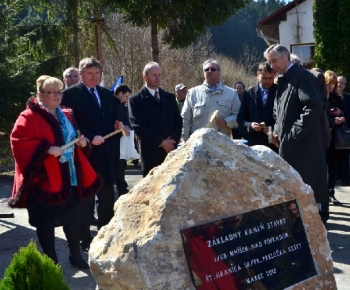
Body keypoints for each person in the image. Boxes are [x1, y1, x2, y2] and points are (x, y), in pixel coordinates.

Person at [9, 76, 102, 269]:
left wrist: (81, 143)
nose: (56, 96)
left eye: (59, 91)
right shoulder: (28, 117)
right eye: (51, 92)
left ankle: (75, 256)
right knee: (46, 223)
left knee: (72, 220)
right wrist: (45, 149)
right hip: (44, 180)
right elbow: (18, 142)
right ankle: (52, 263)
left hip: (69, 177)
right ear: (40, 94)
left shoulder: (66, 114)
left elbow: (73, 137)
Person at [61, 57, 124, 252]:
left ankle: (105, 234)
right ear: (80, 74)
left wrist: (117, 124)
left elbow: (114, 115)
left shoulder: (106, 93)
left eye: (97, 73)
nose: (94, 77)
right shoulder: (69, 95)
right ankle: (86, 239)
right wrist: (88, 136)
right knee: (85, 200)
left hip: (106, 154)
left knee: (106, 197)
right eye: (89, 74)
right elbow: (69, 124)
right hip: (85, 155)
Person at [264, 44, 328, 213]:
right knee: (292, 198)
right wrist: (276, 131)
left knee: (305, 197)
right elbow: (278, 112)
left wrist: (292, 134)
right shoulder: (283, 79)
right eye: (270, 62)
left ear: (286, 56)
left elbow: (314, 106)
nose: (272, 66)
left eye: (274, 61)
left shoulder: (302, 76)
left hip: (303, 148)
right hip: (289, 145)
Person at [128, 61, 182, 177]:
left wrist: (172, 140)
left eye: (159, 74)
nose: (157, 78)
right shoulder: (135, 100)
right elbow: (138, 126)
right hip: (150, 153)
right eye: (154, 75)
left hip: (171, 151)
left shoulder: (170, 97)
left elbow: (178, 121)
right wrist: (161, 142)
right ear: (145, 77)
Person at [181, 59, 241, 141]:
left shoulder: (231, 93)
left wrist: (226, 121)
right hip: (198, 143)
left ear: (219, 72)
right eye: (206, 69)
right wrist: (185, 141)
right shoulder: (192, 93)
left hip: (222, 144)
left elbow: (239, 116)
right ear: (203, 73)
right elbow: (185, 120)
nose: (209, 71)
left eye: (213, 69)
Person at [237, 62, 278, 152]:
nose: (267, 81)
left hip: (274, 143)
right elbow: (241, 118)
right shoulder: (248, 93)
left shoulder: (279, 92)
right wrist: (250, 125)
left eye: (270, 78)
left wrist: (271, 130)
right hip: (255, 143)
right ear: (257, 75)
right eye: (264, 78)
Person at [325, 70, 350, 204]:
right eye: (329, 83)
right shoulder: (321, 96)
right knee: (326, 166)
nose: (331, 87)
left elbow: (347, 113)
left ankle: (331, 192)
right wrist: (329, 116)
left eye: (333, 84)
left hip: (337, 137)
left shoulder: (341, 97)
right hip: (324, 135)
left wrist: (341, 115)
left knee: (333, 166)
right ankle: (324, 193)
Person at [114, 84, 131, 196]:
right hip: (110, 143)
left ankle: (122, 190)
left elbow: (128, 123)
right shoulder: (109, 105)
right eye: (125, 96)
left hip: (121, 142)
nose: (126, 99)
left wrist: (126, 127)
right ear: (120, 93)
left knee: (120, 167)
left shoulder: (124, 108)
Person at [337, 75, 350, 186]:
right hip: (334, 129)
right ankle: (336, 177)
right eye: (338, 82)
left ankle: (345, 177)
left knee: (345, 155)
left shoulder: (348, 97)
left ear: (345, 85)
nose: (339, 85)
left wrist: (344, 118)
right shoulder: (331, 96)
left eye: (342, 83)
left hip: (345, 131)